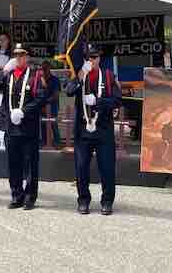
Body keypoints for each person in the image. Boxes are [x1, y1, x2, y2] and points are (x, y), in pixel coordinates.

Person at [0, 43, 50, 210]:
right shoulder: (9, 74)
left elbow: (41, 98)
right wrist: (4, 70)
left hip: (28, 127)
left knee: (30, 164)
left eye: (21, 55)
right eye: (16, 55)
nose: (18, 58)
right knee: (13, 163)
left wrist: (24, 111)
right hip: (11, 128)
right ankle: (16, 195)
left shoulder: (36, 76)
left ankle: (30, 197)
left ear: (27, 57)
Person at [66, 45, 122, 215]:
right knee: (81, 168)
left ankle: (107, 201)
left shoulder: (108, 75)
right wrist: (81, 74)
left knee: (107, 168)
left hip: (103, 129)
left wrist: (98, 102)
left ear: (99, 58)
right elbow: (68, 91)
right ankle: (83, 200)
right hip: (83, 131)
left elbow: (117, 100)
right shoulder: (79, 75)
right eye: (89, 57)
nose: (92, 60)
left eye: (95, 57)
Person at [40, 61, 62, 147]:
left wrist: (46, 102)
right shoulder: (40, 80)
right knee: (42, 125)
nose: (44, 70)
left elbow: (56, 95)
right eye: (43, 69)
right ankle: (44, 142)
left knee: (53, 125)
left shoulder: (55, 80)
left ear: (49, 69)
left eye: (46, 68)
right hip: (42, 106)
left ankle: (57, 142)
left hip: (52, 106)